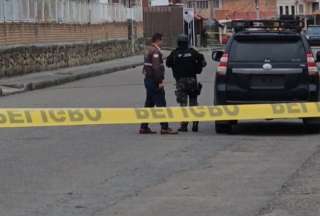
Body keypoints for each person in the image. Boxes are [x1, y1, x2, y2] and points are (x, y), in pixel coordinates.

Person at [166, 34, 207, 132]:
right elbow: (203, 61)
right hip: (192, 80)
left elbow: (168, 64)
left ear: (178, 43)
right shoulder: (193, 52)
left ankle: (184, 125)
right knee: (193, 102)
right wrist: (197, 67)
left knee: (183, 104)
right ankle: (195, 123)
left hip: (180, 81)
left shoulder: (174, 53)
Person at [139, 33, 178, 135]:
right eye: (161, 40)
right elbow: (156, 68)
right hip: (154, 81)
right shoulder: (156, 52)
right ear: (157, 40)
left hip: (148, 80)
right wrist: (160, 81)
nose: (162, 42)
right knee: (161, 103)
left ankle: (144, 127)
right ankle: (164, 128)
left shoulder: (148, 50)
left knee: (149, 104)